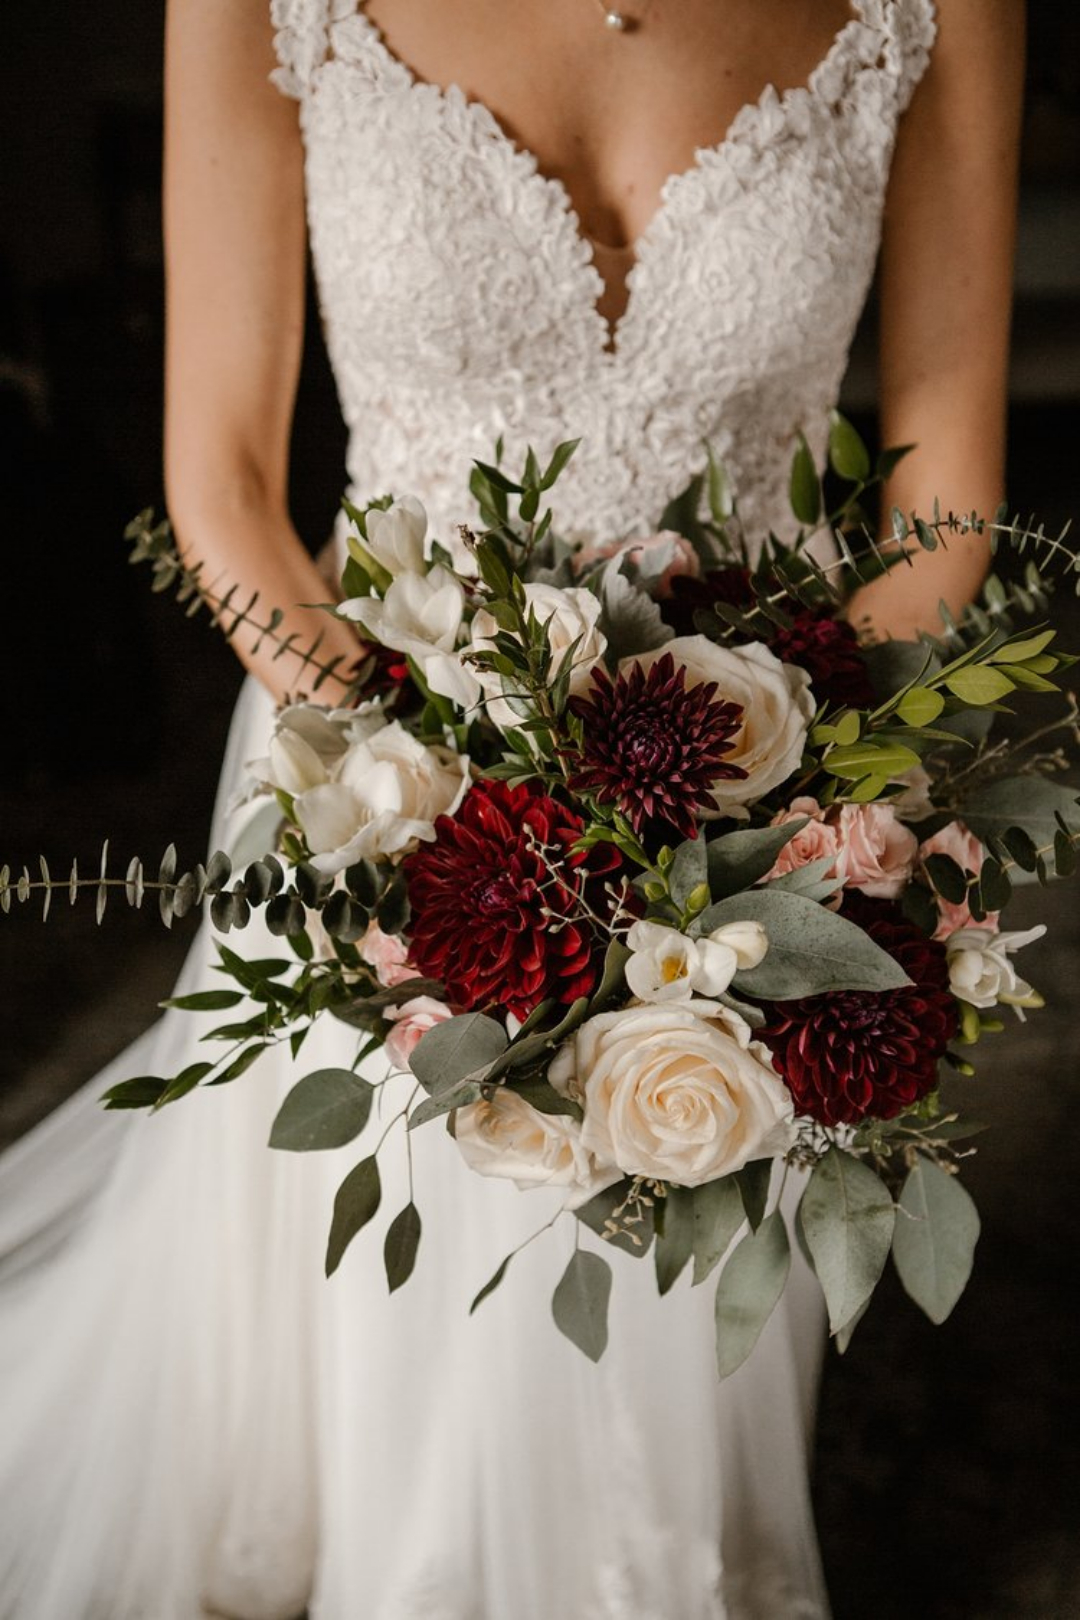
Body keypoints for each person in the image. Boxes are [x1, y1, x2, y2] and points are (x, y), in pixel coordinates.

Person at [0, 1, 1023, 1616]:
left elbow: (946, 496)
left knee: (670, 1255)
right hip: (375, 779)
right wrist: (429, 794)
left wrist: (784, 796)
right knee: (402, 1324)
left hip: (744, 799)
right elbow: (227, 485)